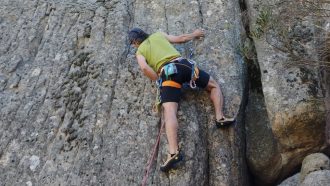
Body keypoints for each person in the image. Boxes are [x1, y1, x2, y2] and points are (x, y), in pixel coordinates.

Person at [128, 28, 235, 172]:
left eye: (132, 43)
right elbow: (181, 38)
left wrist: (158, 79)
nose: (134, 46)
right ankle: (220, 116)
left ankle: (173, 152)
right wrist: (195, 34)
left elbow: (144, 68)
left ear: (135, 41)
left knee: (170, 112)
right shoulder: (158, 35)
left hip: (168, 73)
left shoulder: (140, 51)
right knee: (214, 86)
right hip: (185, 66)